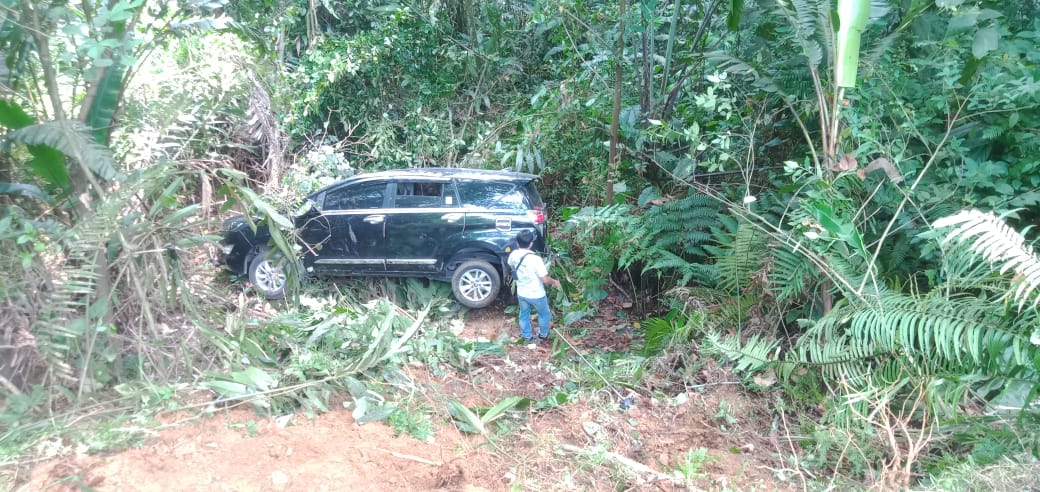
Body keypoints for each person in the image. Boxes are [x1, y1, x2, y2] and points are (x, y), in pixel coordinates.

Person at [507, 230, 561, 343]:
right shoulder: (536, 259)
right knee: (544, 314)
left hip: (522, 293)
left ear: (517, 242)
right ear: (531, 243)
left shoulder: (513, 255)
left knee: (524, 314)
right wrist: (555, 282)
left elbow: (511, 265)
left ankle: (527, 336)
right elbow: (545, 279)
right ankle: (543, 335)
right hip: (537, 294)